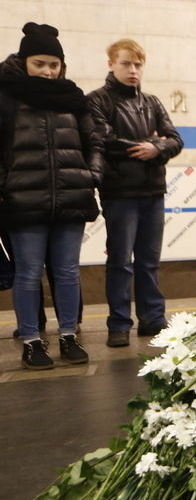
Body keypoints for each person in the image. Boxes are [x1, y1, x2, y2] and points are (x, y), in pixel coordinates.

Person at [0, 23, 103, 369]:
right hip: (23, 202)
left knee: (67, 272)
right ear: (25, 61)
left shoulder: (74, 99)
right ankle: (31, 341)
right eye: (40, 63)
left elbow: (96, 142)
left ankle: (69, 336)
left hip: (70, 199)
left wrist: (92, 175)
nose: (48, 71)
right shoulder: (6, 97)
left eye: (54, 65)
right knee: (28, 273)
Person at [87, 39, 183, 347]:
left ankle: (152, 318)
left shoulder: (152, 102)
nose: (133, 70)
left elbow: (175, 139)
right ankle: (118, 323)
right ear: (111, 64)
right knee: (120, 260)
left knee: (148, 260)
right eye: (126, 63)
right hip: (119, 192)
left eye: (138, 65)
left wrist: (157, 146)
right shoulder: (97, 101)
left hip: (153, 190)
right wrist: (147, 144)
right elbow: (104, 140)